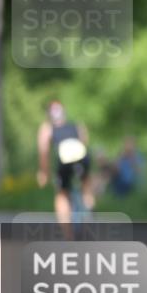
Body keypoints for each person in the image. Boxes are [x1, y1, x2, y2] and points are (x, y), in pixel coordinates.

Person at [36, 100, 94, 238]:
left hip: (64, 162)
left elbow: (44, 151)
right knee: (86, 185)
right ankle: (89, 206)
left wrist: (44, 172)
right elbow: (85, 143)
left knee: (61, 194)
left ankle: (68, 234)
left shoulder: (47, 128)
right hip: (82, 159)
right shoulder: (77, 126)